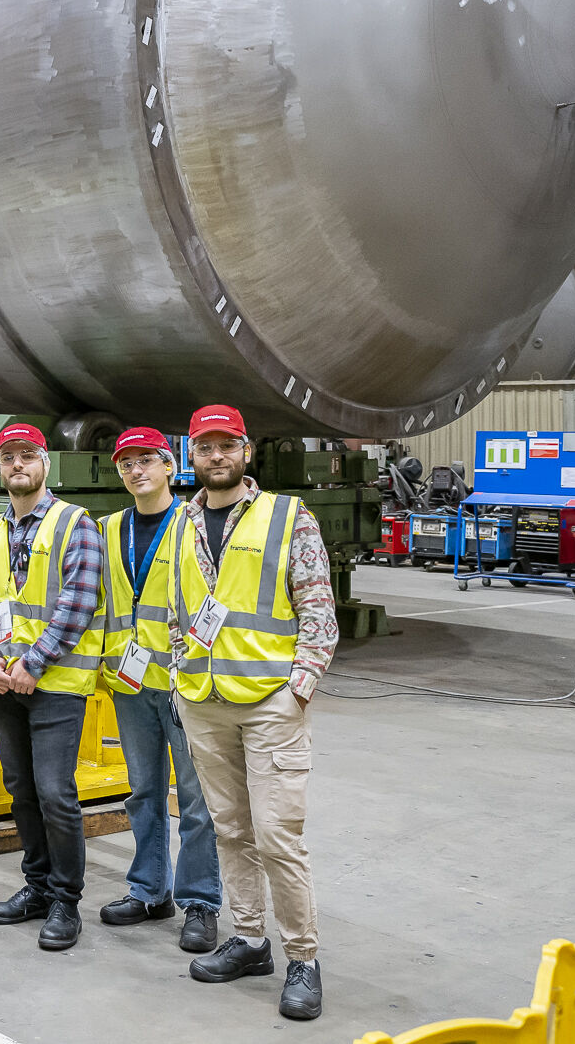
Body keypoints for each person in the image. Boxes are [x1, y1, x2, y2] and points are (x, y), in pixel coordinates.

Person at [170, 404, 337, 1021]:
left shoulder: (289, 516)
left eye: (226, 445)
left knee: (276, 836)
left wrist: (300, 684)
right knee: (230, 830)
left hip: (270, 702)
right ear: (192, 452)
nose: (215, 456)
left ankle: (303, 957)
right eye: (205, 446)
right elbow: (175, 611)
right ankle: (247, 939)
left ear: (246, 452)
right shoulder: (184, 522)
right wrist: (175, 676)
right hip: (203, 701)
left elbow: (318, 607)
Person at [0, 421, 104, 951]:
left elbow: (79, 602)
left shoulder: (76, 525)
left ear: (45, 463)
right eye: (8, 458)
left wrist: (33, 662)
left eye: (27, 456)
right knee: (20, 789)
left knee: (55, 793)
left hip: (57, 685)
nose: (17, 465)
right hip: (5, 683)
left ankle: (66, 900)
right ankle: (38, 886)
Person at [96, 427, 222, 952]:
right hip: (129, 683)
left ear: (171, 466)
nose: (136, 471)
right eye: (127, 463)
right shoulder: (107, 528)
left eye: (147, 460)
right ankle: (149, 890)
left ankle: (201, 902)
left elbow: (218, 599)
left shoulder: (194, 526)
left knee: (195, 800)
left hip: (183, 683)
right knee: (143, 792)